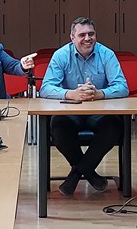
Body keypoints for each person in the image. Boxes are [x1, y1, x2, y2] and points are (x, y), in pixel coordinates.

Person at [40, 17, 129, 195]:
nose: (87, 38)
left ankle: (75, 175)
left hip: (98, 112)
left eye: (91, 34)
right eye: (82, 35)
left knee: (114, 126)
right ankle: (90, 173)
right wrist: (71, 94)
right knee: (58, 127)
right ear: (72, 37)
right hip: (70, 112)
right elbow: (46, 88)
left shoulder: (107, 54)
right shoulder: (61, 55)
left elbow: (122, 87)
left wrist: (100, 93)